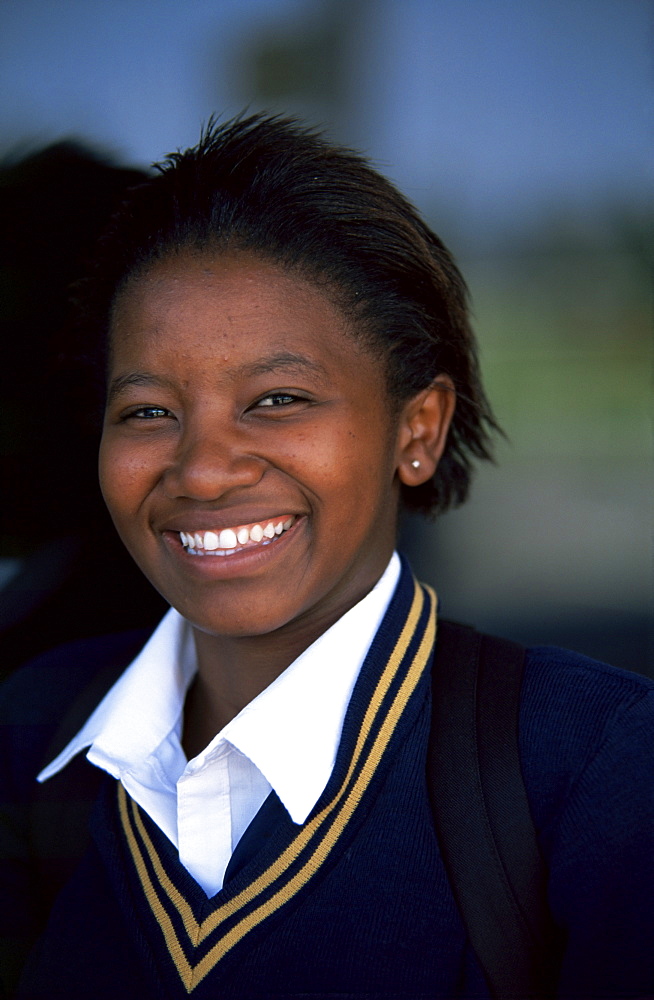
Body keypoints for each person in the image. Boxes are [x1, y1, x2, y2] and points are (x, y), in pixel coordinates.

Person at [0, 113, 652, 1000]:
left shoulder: (595, 764)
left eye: (277, 399)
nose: (202, 470)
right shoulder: (29, 734)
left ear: (417, 430)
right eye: (149, 411)